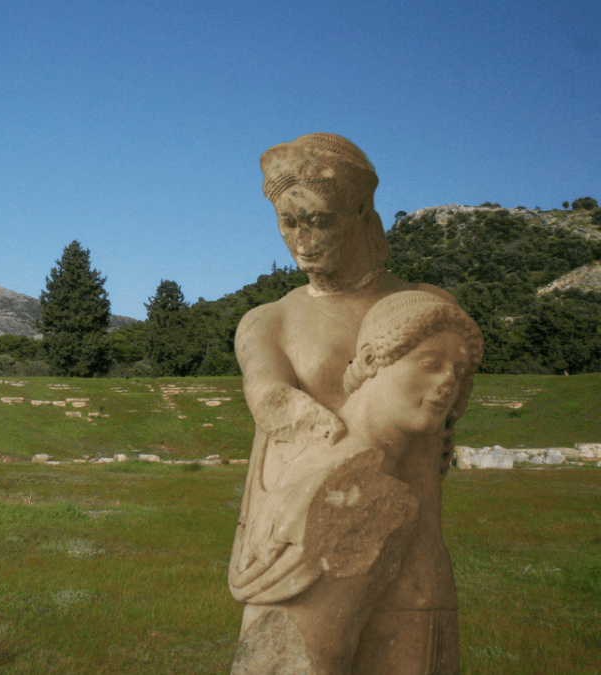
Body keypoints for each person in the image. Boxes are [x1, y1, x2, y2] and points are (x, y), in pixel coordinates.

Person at [228, 133, 471, 674]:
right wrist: (338, 446)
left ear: (362, 214)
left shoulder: (432, 311)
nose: (303, 240)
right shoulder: (268, 321)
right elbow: (268, 397)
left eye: (320, 220)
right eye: (289, 223)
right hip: (303, 557)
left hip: (413, 562)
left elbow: (449, 418)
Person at [229, 291, 482, 674]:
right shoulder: (358, 490)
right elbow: (303, 658)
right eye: (431, 364)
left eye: (458, 373)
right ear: (369, 360)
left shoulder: (331, 466)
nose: (448, 383)